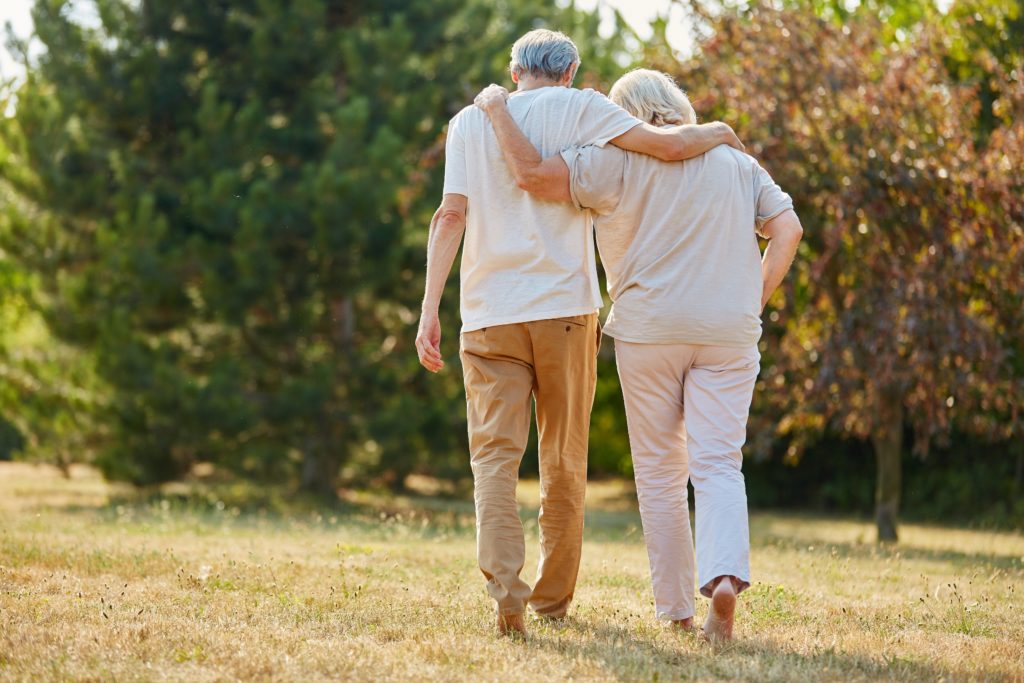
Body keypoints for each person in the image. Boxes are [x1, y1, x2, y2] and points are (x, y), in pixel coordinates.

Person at [415, 31, 744, 637]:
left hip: (488, 316)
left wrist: (430, 306)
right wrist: (719, 132)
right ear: (570, 70)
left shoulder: (468, 122)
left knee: (493, 459)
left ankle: (505, 594)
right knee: (562, 461)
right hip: (566, 312)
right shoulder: (585, 106)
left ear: (513, 70)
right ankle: (552, 601)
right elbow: (667, 147)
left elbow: (450, 215)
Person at [473, 69, 803, 641]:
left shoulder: (611, 160)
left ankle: (675, 609)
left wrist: (501, 112)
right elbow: (788, 229)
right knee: (720, 464)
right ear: (678, 106)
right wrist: (751, 300)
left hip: (648, 329)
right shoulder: (733, 159)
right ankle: (723, 579)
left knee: (658, 474)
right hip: (728, 329)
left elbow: (533, 177)